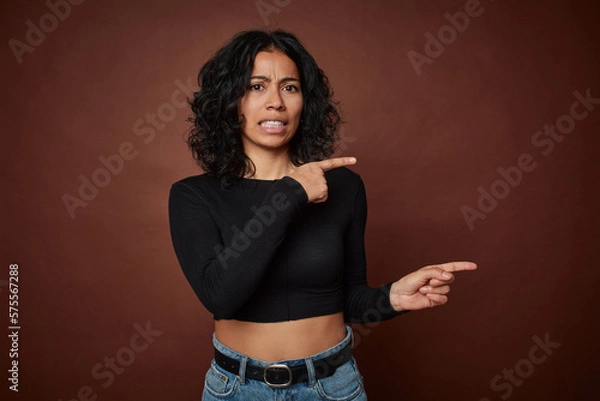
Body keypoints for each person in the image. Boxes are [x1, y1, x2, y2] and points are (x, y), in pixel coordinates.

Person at [168, 29, 477, 401]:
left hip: (331, 386)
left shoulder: (344, 187)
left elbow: (348, 298)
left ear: (305, 102)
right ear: (229, 100)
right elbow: (222, 296)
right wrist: (290, 196)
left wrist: (393, 297)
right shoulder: (193, 195)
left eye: (290, 87)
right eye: (256, 86)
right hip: (238, 388)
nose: (275, 103)